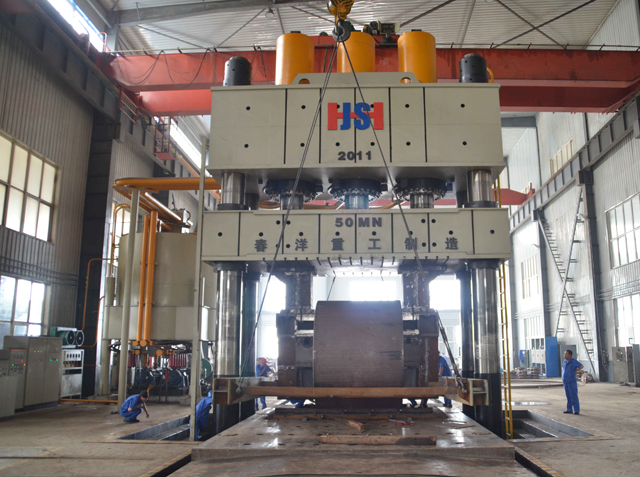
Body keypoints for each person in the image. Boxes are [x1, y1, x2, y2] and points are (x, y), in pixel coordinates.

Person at [562, 349, 584, 415]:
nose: (564, 355)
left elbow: (581, 366)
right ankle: (569, 409)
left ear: (570, 355)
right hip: (566, 381)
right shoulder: (564, 362)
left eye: (566, 354)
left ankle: (576, 410)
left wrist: (576, 370)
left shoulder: (573, 361)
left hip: (571, 381)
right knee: (568, 396)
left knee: (573, 396)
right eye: (564, 354)